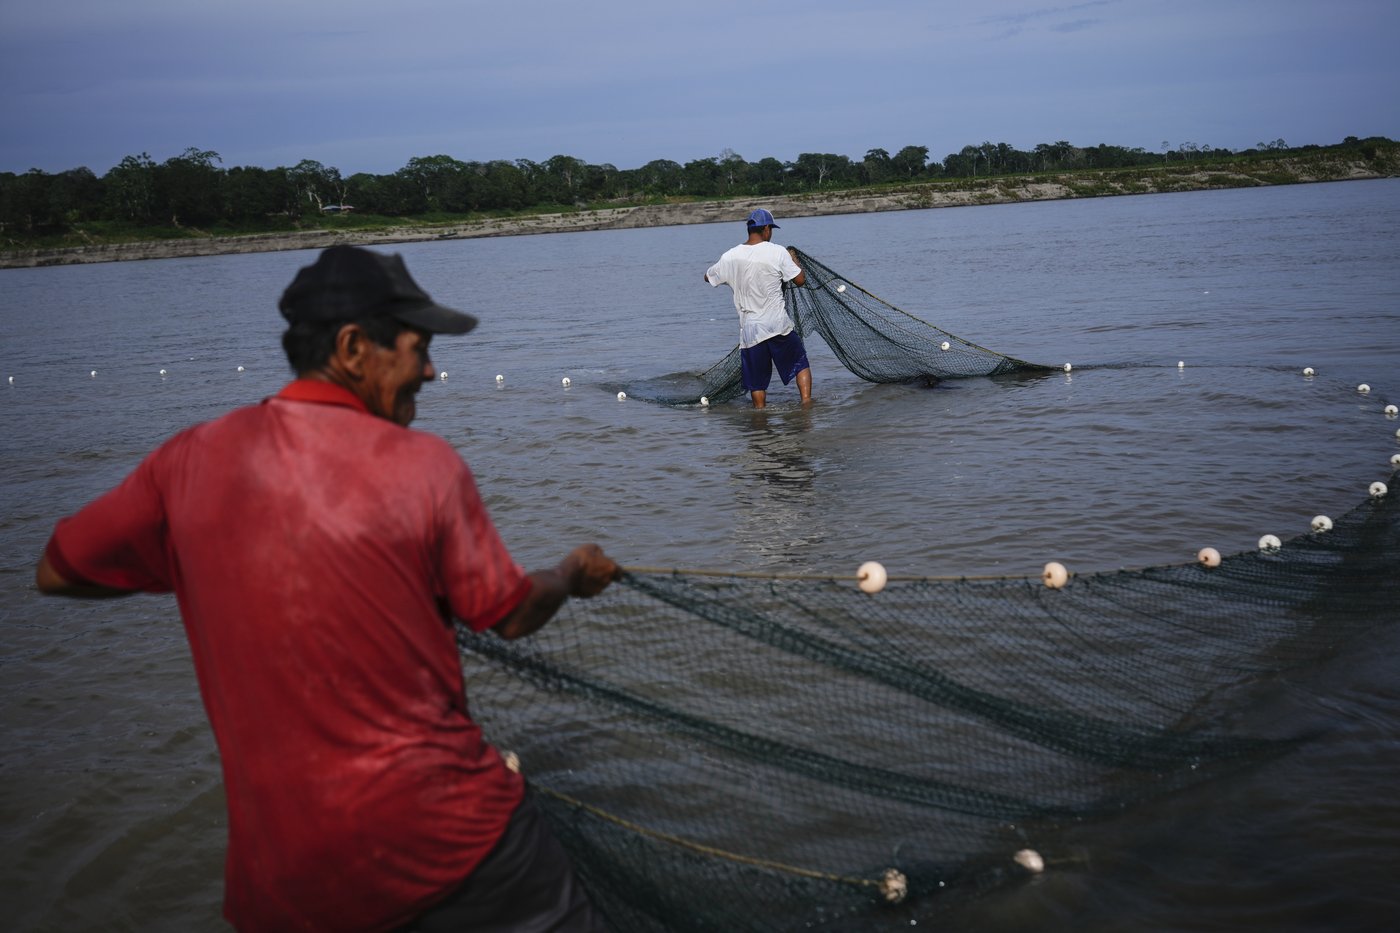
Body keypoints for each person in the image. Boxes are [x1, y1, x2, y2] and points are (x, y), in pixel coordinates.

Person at [34, 245, 620, 932]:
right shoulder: (422, 465)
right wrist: (569, 573)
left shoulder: (186, 459)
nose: (430, 369)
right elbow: (512, 613)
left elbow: (58, 570)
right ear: (352, 347)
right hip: (455, 850)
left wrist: (192, 564)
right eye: (418, 347)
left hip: (286, 890)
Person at [703, 208, 812, 409]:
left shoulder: (731, 256)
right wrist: (793, 258)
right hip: (778, 325)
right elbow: (800, 280)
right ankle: (806, 405)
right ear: (767, 229)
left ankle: (760, 419)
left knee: (757, 382)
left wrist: (733, 276)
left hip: (751, 331)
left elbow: (708, 277)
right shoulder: (777, 252)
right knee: (800, 363)